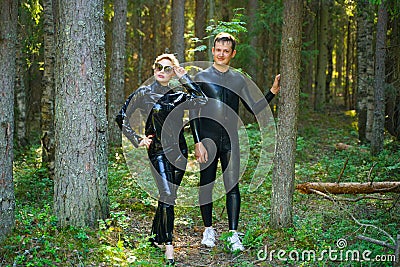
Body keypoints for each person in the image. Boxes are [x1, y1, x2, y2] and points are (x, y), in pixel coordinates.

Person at [189, 32, 281, 252]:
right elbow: (193, 112)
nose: (221, 54)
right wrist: (198, 142)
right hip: (208, 140)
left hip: (231, 139)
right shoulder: (201, 77)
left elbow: (252, 108)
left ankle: (232, 234)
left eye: (226, 51)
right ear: (213, 50)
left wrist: (272, 92)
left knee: (232, 186)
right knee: (207, 185)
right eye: (218, 50)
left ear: (233, 54)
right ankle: (208, 230)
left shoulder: (238, 79)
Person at [116, 53, 207, 265]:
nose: (162, 71)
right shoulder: (144, 93)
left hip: (179, 153)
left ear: (172, 72)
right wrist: (137, 139)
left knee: (168, 197)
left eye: (168, 68)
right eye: (159, 66)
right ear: (153, 68)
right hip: (157, 151)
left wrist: (185, 79)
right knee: (167, 195)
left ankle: (156, 236)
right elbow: (121, 116)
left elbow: (201, 100)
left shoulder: (179, 95)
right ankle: (168, 246)